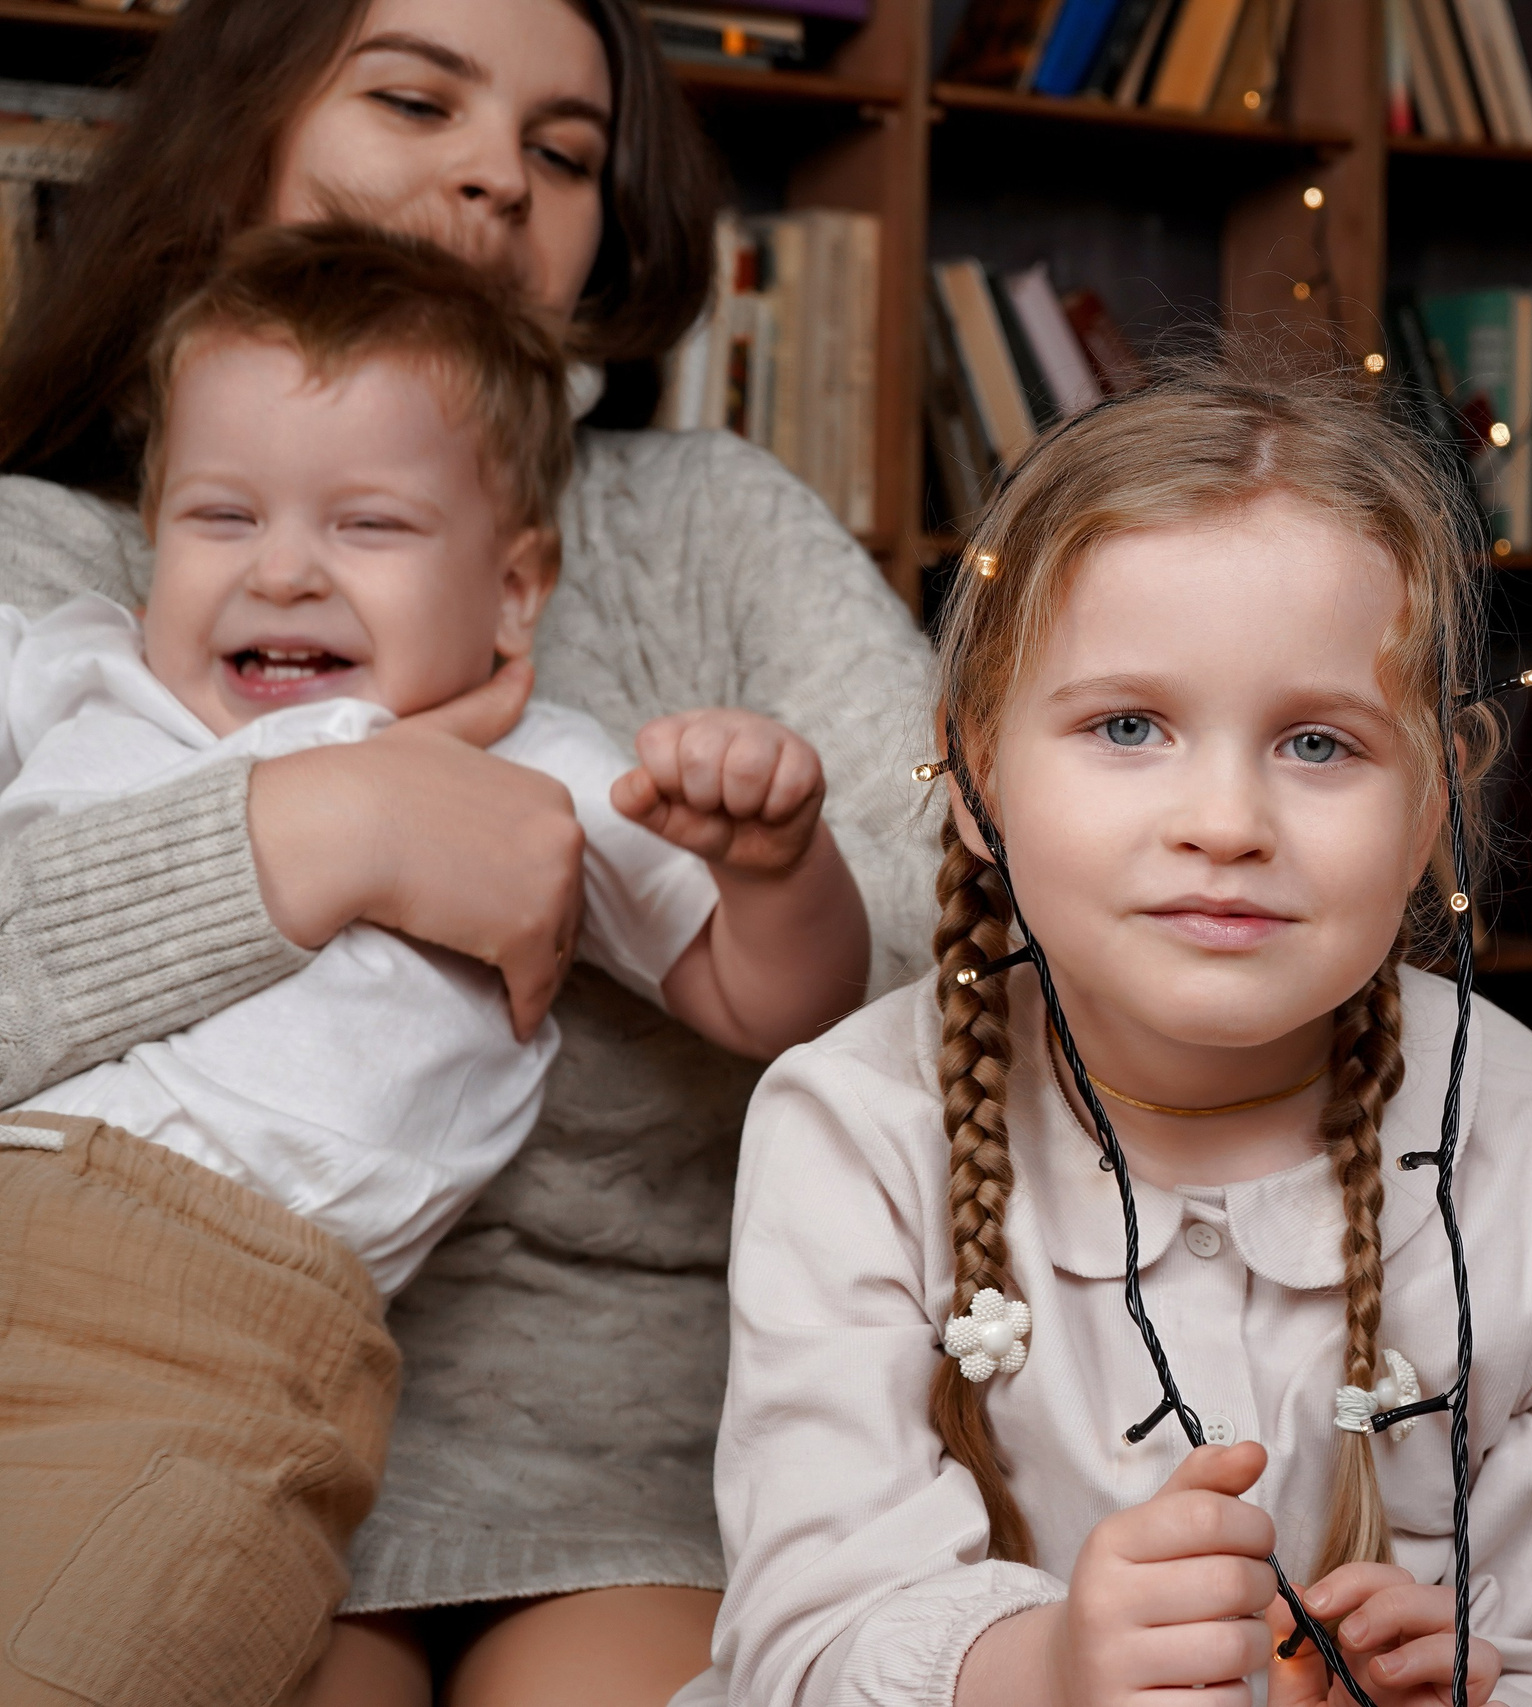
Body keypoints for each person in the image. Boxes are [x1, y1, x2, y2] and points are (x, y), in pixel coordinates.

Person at [0, 0, 939, 1699]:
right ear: (247, 125)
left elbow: (947, 932)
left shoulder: (710, 525)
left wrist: (773, 859)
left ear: (519, 579)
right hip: (116, 1375)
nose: (498, 177)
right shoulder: (64, 578)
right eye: (417, 96)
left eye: (565, 152)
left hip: (627, 1453)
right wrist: (323, 826)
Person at [686, 366, 1532, 1707]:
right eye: (1129, 725)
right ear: (978, 774)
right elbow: (805, 1642)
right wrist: (1046, 1667)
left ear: (1432, 803)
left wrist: (1454, 1688)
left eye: (1317, 742)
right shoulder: (852, 1129)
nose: (1225, 819)